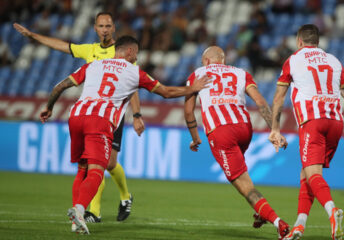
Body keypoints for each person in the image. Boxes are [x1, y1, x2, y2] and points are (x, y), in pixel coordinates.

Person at [39, 35, 210, 234]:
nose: (136, 57)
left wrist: (49, 108)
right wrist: (193, 88)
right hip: (100, 120)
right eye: (136, 53)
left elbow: (59, 86)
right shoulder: (135, 72)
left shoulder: (93, 65)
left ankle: (76, 219)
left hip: (77, 116)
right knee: (96, 171)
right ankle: (79, 211)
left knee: (82, 169)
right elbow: (166, 92)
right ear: (129, 51)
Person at [14, 12, 139, 222]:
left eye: (108, 25)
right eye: (101, 26)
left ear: (114, 28)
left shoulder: (124, 53)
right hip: (91, 112)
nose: (105, 29)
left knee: (107, 164)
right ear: (95, 28)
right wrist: (33, 36)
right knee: (96, 163)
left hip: (111, 114)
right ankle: (94, 212)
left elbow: (133, 86)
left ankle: (125, 197)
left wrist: (137, 114)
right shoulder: (89, 50)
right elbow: (62, 46)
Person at [268, 24, 344, 240]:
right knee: (307, 174)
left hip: (312, 121)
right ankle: (299, 225)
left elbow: (279, 97)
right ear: (318, 42)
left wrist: (275, 129)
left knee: (313, 174)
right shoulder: (334, 61)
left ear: (299, 41)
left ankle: (332, 211)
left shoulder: (294, 60)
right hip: (335, 123)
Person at [184, 46, 290, 240]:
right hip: (244, 128)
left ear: (206, 61)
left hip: (221, 132)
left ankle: (279, 224)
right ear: (222, 60)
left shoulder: (198, 74)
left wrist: (195, 137)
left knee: (245, 187)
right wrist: (275, 130)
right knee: (243, 175)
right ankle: (260, 212)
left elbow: (189, 111)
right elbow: (260, 102)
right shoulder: (241, 73)